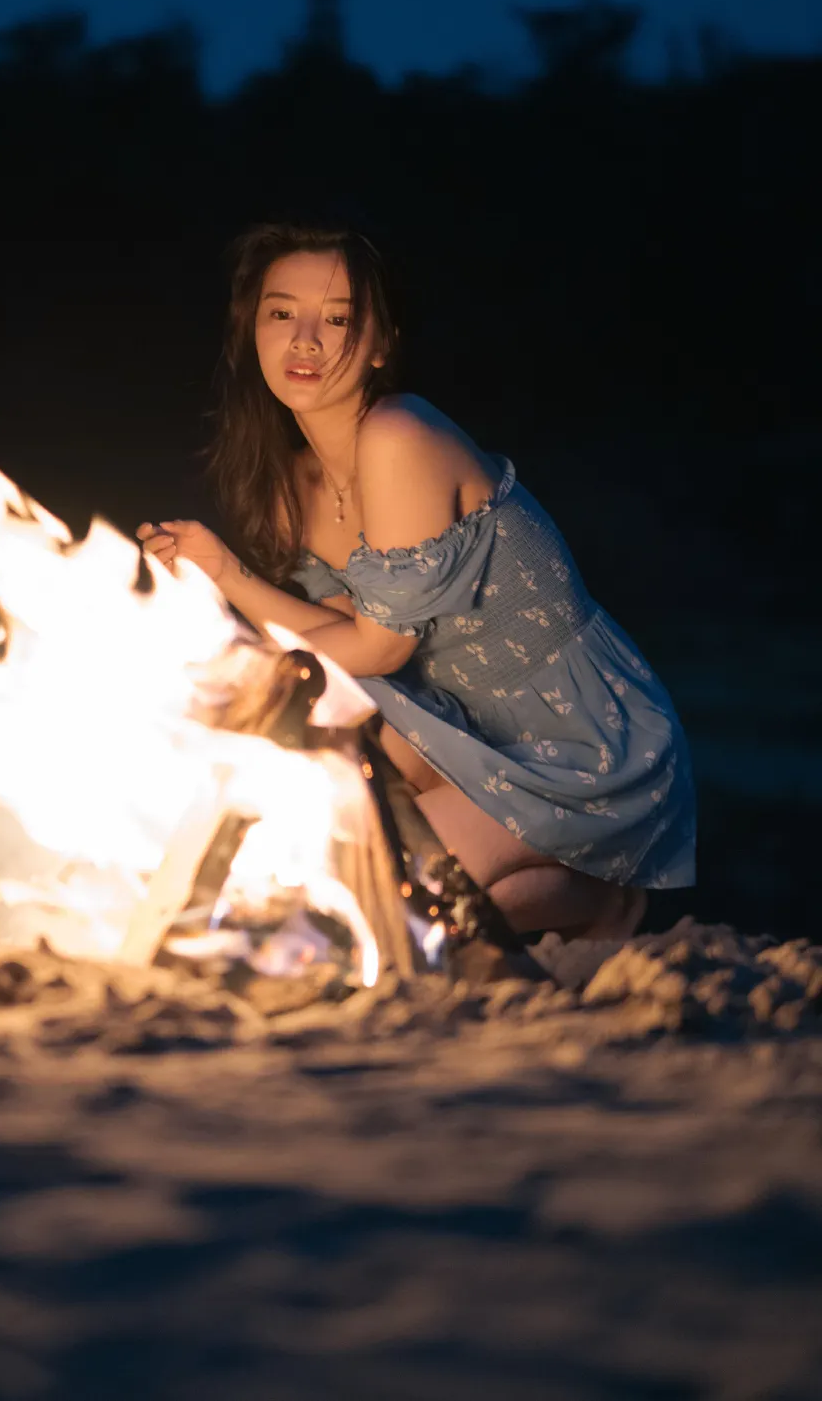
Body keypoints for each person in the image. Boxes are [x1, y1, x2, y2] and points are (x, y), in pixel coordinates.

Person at [139, 223, 695, 940]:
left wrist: (237, 582)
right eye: (282, 314)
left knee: (376, 898)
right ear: (253, 329)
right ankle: (574, 897)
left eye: (337, 319)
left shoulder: (400, 434)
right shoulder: (292, 487)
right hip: (454, 729)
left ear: (380, 343)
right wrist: (222, 572)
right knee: (341, 872)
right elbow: (342, 653)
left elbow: (378, 651)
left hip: (581, 740)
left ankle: (602, 897)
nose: (304, 339)